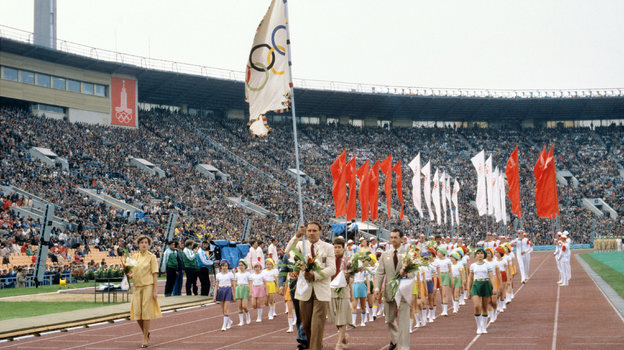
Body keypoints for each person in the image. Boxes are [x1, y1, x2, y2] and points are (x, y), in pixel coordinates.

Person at [286, 222, 336, 350]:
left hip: (321, 290)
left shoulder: (328, 247)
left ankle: (315, 347)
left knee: (317, 324)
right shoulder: (301, 245)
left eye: (314, 230)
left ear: (320, 232)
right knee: (306, 324)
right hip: (304, 290)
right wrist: (297, 235)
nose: (311, 233)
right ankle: (315, 344)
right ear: (306, 232)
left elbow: (332, 269)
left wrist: (315, 275)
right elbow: (287, 251)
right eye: (309, 231)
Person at [374, 229, 414, 350]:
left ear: (401, 239)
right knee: (389, 319)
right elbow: (380, 273)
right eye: (391, 237)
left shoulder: (409, 254)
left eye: (395, 237)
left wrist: (405, 273)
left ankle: (404, 347)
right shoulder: (385, 254)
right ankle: (395, 338)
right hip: (389, 291)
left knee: (403, 321)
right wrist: (377, 287)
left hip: (403, 291)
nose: (393, 240)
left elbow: (413, 273)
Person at [127, 235, 161, 348]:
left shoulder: (152, 257)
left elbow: (155, 275)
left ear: (149, 244)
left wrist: (155, 291)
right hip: (137, 287)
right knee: (137, 313)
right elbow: (131, 272)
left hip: (148, 287)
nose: (144, 244)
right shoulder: (134, 257)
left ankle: (144, 337)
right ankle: (145, 332)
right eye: (142, 242)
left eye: (146, 242)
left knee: (146, 313)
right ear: (138, 244)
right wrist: (129, 274)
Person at [328, 236, 351, 350]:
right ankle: (344, 336)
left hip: (343, 291)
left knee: (342, 318)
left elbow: (353, 275)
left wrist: (348, 277)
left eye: (339, 247)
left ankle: (338, 344)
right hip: (330, 290)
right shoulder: (329, 259)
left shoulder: (348, 260)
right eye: (335, 247)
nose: (336, 249)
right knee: (334, 317)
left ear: (343, 248)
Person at [468, 248, 496, 335]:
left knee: (484, 307)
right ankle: (478, 327)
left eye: (481, 253)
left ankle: (484, 326)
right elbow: (470, 278)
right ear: (475, 255)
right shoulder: (473, 266)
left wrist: (494, 287)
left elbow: (491, 277)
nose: (480, 255)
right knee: (476, 306)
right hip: (476, 284)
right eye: (478, 253)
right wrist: (468, 290)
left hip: (486, 284)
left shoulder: (487, 265)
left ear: (484, 255)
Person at [213, 260, 236, 331]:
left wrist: (234, 295)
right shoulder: (218, 275)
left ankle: (224, 325)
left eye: (226, 266)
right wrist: (214, 296)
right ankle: (229, 321)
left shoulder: (230, 274)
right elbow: (216, 285)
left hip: (228, 290)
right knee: (223, 310)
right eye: (223, 266)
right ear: (221, 266)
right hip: (220, 291)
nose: (224, 267)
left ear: (228, 266)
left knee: (226, 309)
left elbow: (233, 285)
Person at [235, 259, 252, 326]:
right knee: (239, 306)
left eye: (242, 265)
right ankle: (241, 321)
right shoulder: (237, 274)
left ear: (245, 266)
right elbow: (235, 283)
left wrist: (250, 291)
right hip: (239, 288)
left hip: (245, 288)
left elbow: (250, 283)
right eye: (239, 265)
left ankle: (247, 314)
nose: (240, 267)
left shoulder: (248, 274)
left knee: (244, 306)